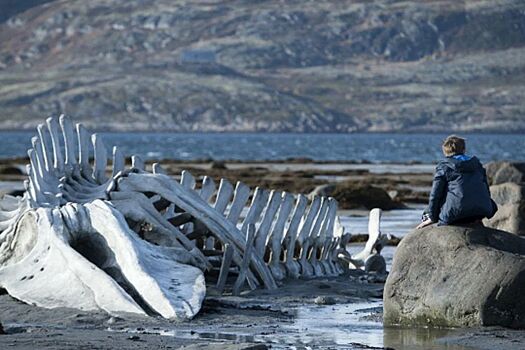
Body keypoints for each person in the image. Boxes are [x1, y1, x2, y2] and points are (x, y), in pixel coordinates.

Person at [416, 135, 497, 229]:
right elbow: (486, 190)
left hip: (456, 214)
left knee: (428, 211)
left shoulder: (444, 166)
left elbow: (435, 195)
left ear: (445, 151)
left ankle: (427, 220)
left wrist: (432, 217)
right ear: (464, 149)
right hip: (481, 211)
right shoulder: (477, 165)